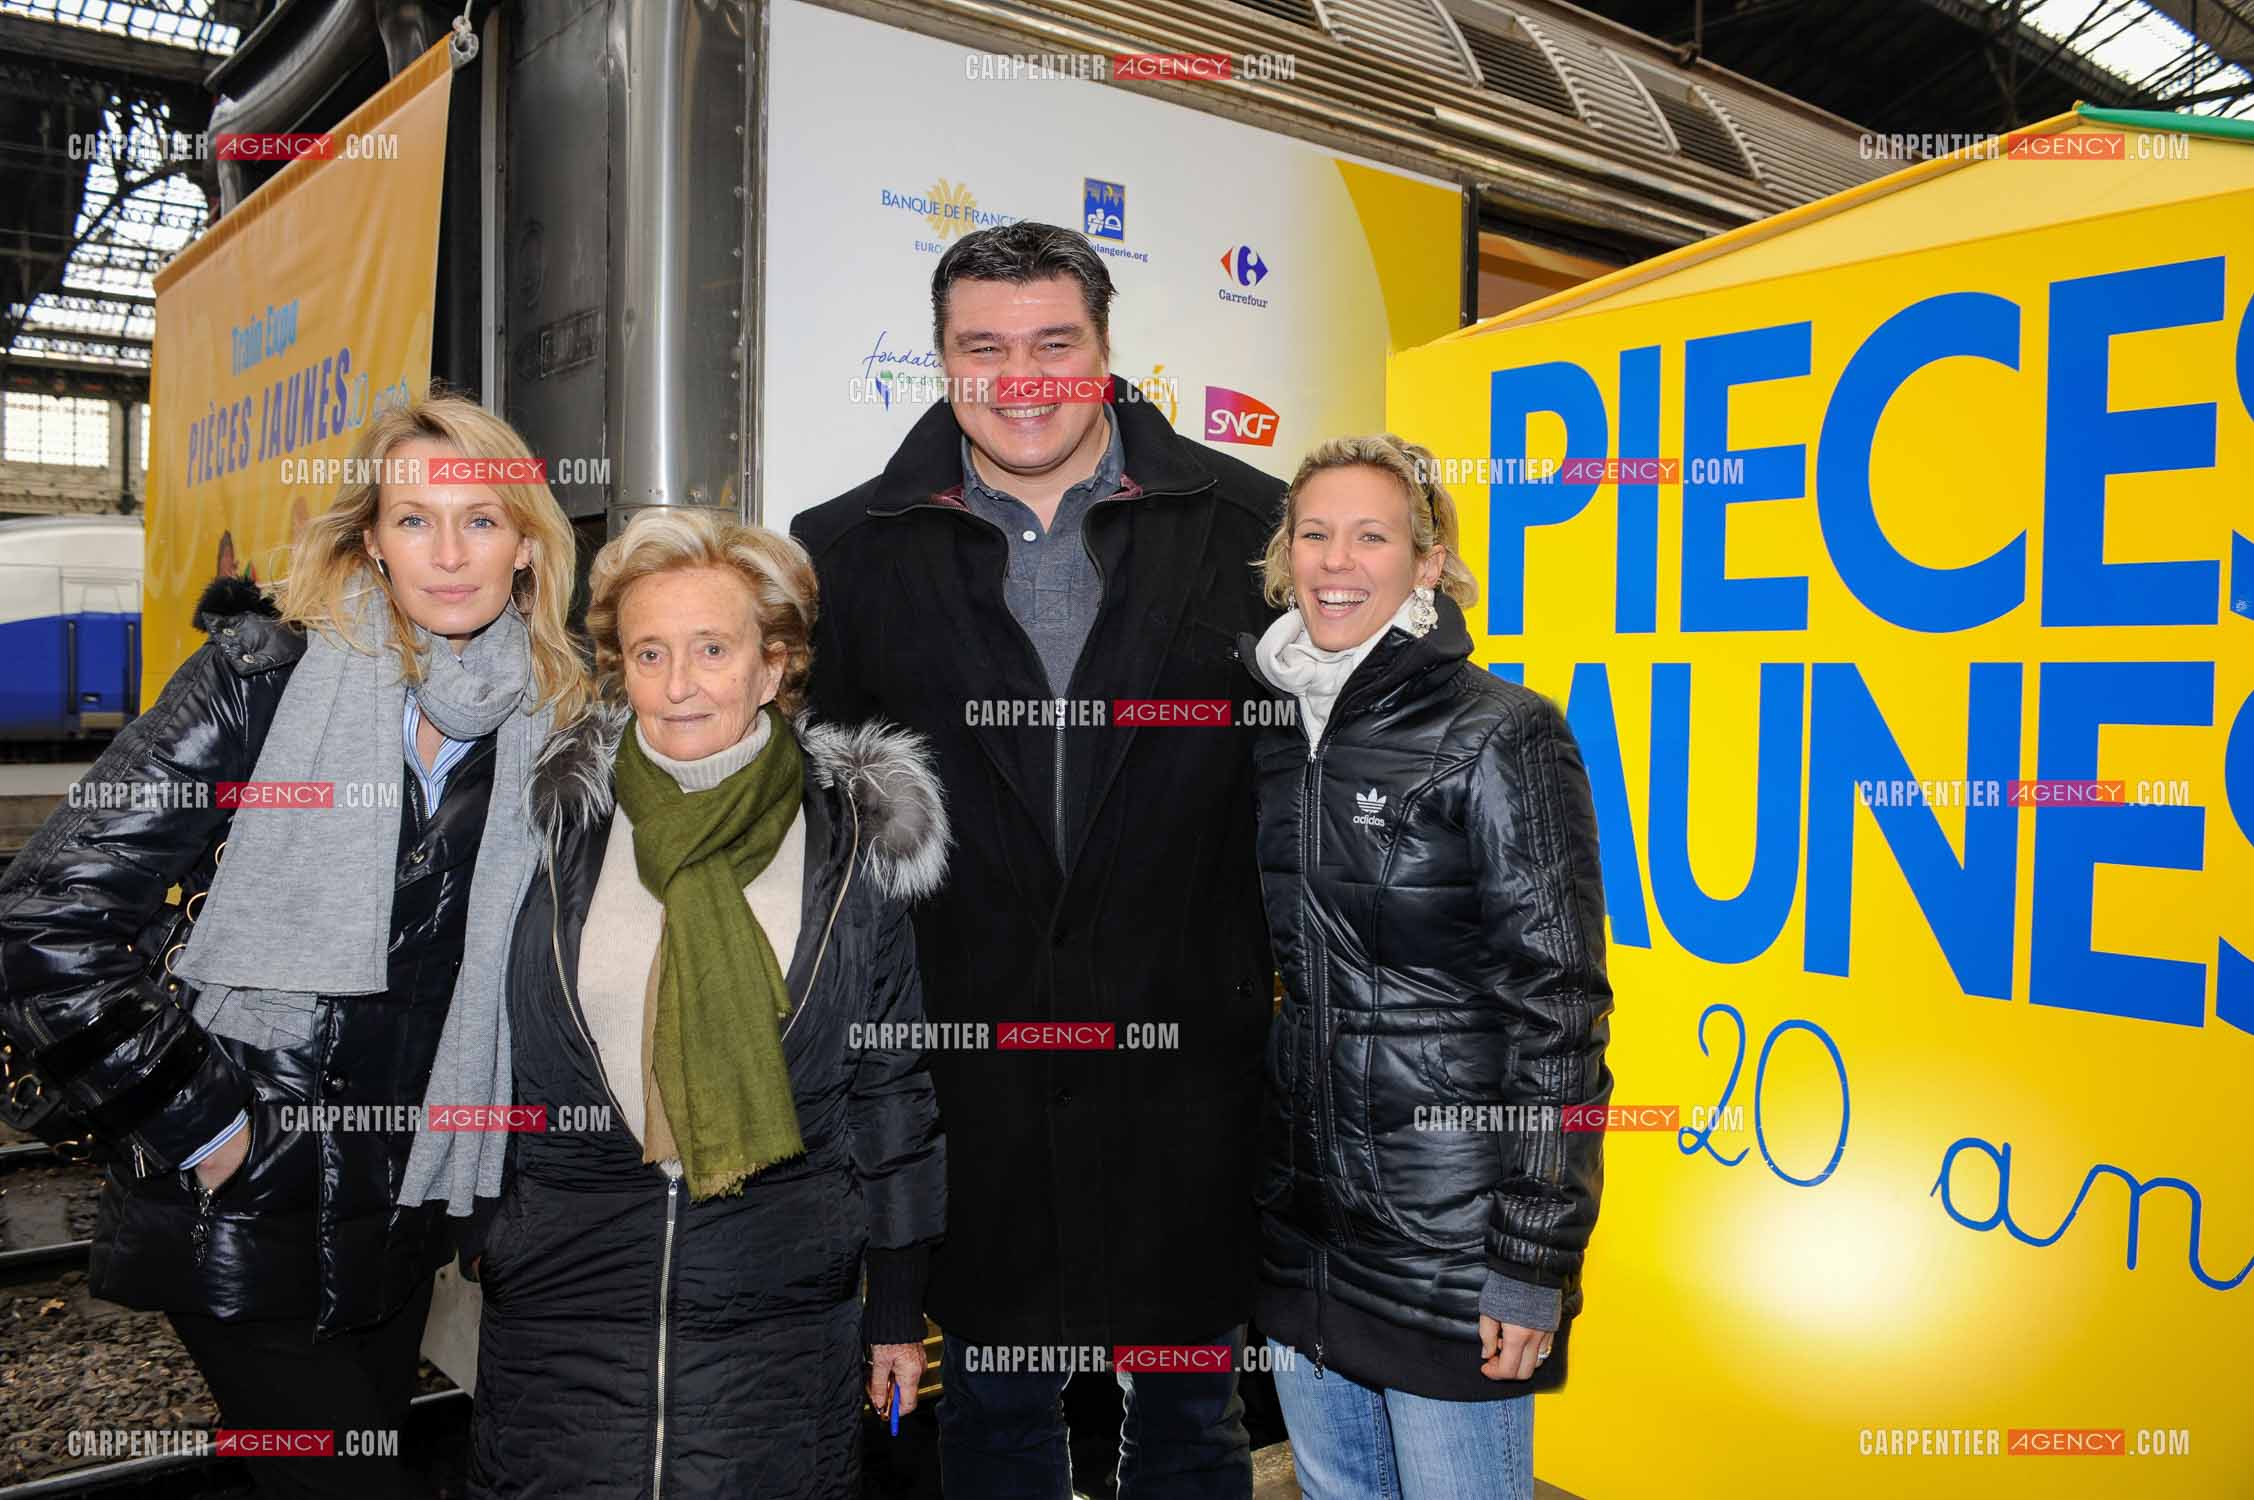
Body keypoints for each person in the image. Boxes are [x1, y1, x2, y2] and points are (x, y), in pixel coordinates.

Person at [0, 392, 589, 1499]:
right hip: (248, 1191)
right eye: (415, 521)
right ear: (370, 535)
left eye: (480, 522)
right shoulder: (261, 679)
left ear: (526, 545)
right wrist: (204, 1124)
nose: (448, 555)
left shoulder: (551, 719)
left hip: (406, 1205)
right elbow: (47, 918)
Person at [792, 219, 1282, 1499]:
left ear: (1109, 350)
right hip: (975, 1094)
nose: (1022, 379)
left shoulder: (1254, 526)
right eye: (984, 347)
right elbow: (823, 853)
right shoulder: (844, 552)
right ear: (944, 361)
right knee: (995, 1433)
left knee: (1191, 1433)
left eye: (1054, 343)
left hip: (1190, 1085)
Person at [469, 506, 948, 1498]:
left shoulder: (849, 852)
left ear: (773, 666)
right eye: (649, 652)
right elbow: (468, 1030)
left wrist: (896, 1304)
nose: (678, 684)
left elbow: (890, 1091)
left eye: (711, 649)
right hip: (565, 1309)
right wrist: (484, 1234)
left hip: (775, 1316)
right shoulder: (552, 832)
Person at [1240, 435, 1612, 1500]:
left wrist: (1532, 1256)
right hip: (1304, 1231)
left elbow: (1560, 1010)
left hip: (1450, 1242)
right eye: (1313, 533)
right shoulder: (1271, 730)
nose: (1336, 560)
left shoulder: (1503, 733)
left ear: (1429, 560)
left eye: (1372, 534)